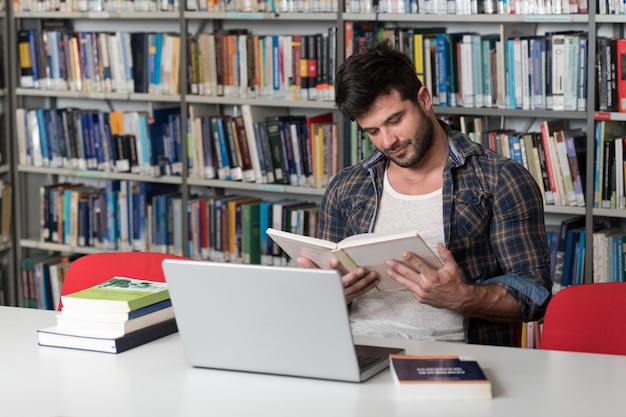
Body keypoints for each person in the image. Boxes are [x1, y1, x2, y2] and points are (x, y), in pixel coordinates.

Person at [297, 41, 553, 346]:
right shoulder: (347, 187)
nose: (388, 141)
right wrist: (328, 293)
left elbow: (534, 295)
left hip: (454, 357)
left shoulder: (500, 179)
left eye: (395, 120)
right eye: (373, 131)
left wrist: (462, 297)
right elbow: (321, 297)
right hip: (356, 350)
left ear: (424, 99)